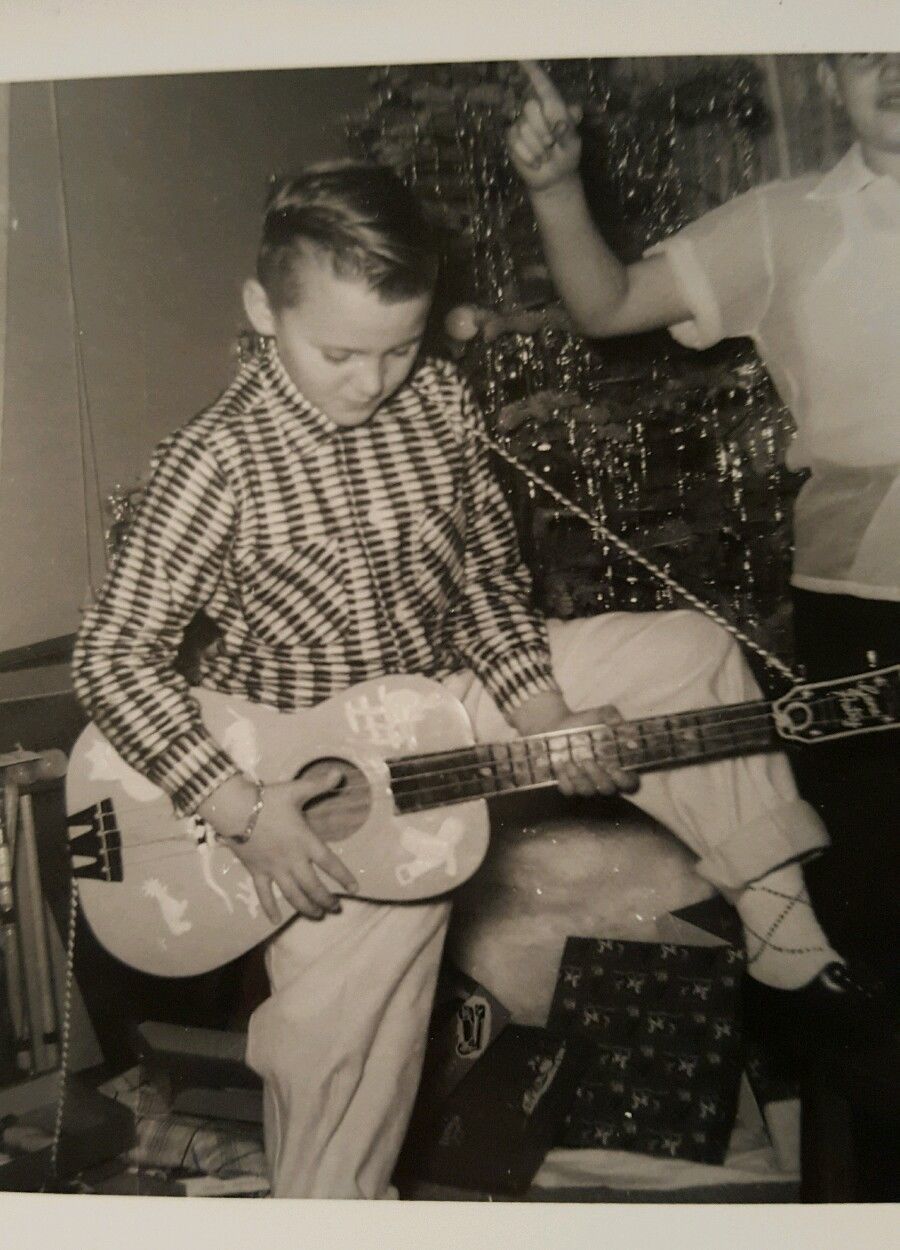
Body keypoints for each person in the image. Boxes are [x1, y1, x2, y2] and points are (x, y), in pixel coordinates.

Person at [72, 161, 882, 1200]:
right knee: (339, 1062)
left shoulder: (439, 401)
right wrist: (239, 807)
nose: (371, 382)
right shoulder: (214, 461)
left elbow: (488, 583)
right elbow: (110, 657)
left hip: (441, 692)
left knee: (686, 653)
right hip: (303, 778)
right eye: (339, 354)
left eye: (399, 348)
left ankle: (785, 941)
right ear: (263, 312)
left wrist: (547, 714)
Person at [507, 56, 899, 993]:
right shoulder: (784, 221)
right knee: (879, 888)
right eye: (863, 46)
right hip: (867, 599)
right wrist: (555, 189)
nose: (891, 65)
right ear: (828, 77)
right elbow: (607, 304)